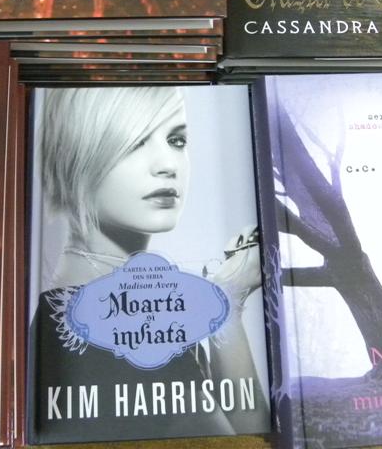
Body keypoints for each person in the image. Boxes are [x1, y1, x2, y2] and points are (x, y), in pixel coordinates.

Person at [33, 86, 267, 438]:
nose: (168, 166)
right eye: (135, 142)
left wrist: (227, 297)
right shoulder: (120, 328)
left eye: (176, 140)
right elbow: (252, 441)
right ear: (76, 156)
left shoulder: (104, 305)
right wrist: (228, 303)